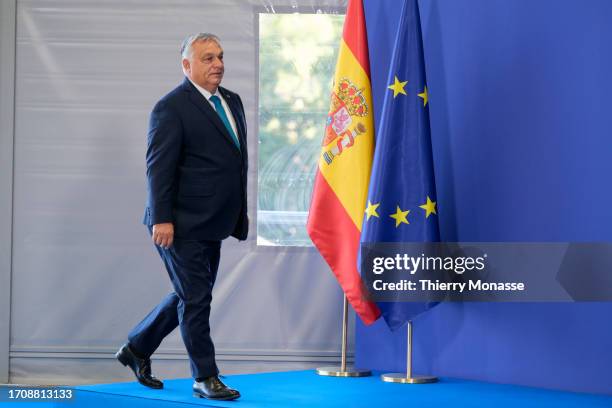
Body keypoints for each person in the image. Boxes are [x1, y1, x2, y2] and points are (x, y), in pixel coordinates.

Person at [115, 32, 248, 401]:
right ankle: (205, 377)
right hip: (178, 224)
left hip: (215, 222)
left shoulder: (232, 102)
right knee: (196, 300)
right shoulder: (170, 107)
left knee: (192, 294)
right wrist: (161, 219)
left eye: (220, 56)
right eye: (207, 58)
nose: (217, 64)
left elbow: (234, 164)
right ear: (186, 65)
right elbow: (158, 169)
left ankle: (137, 348)